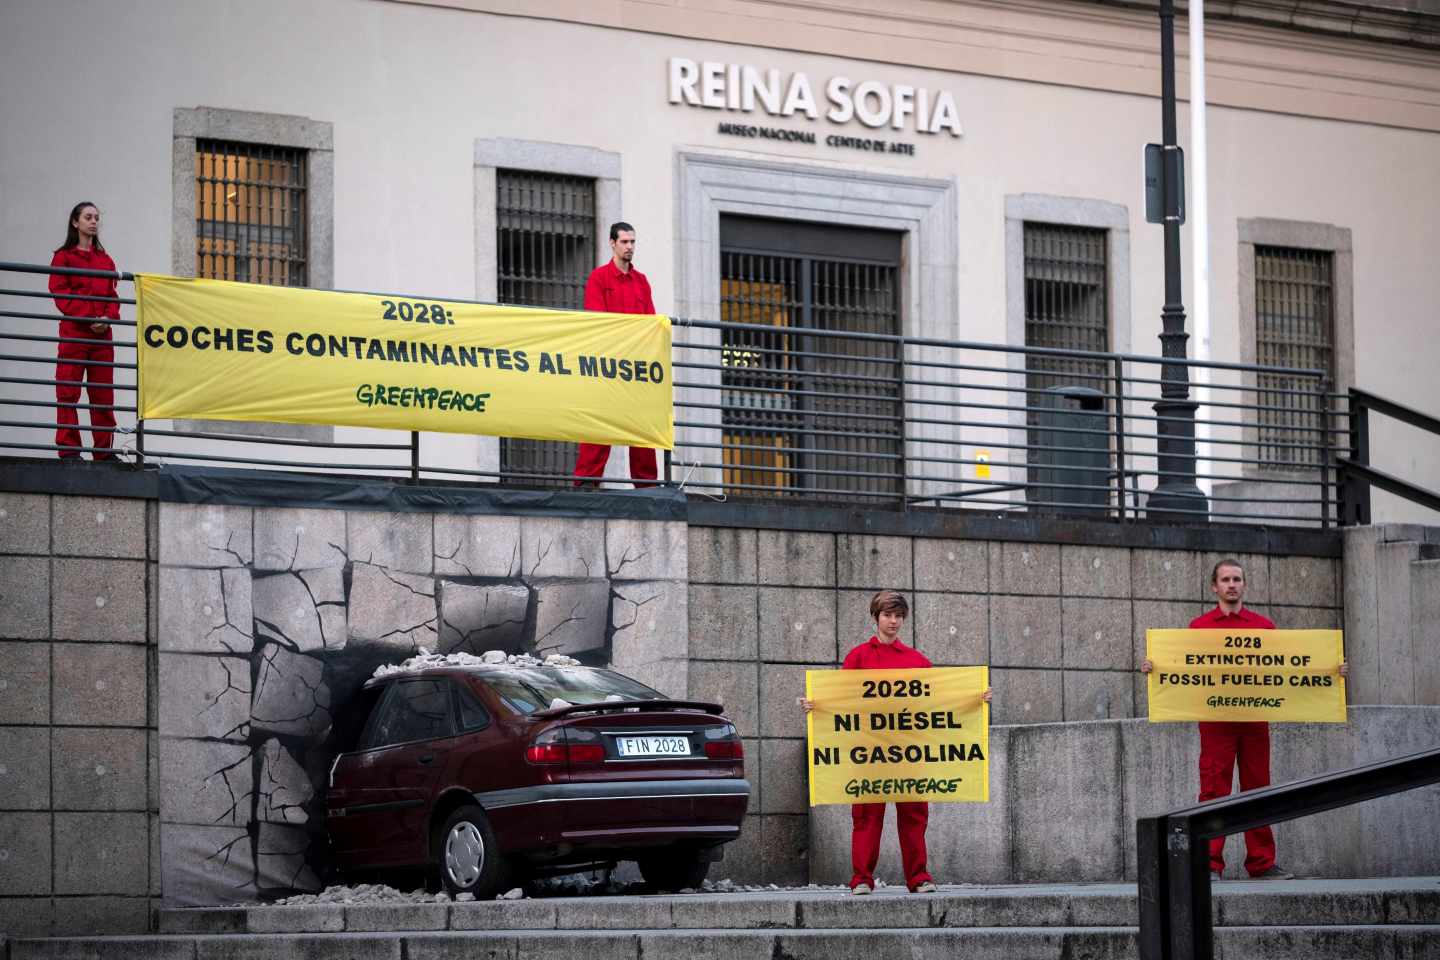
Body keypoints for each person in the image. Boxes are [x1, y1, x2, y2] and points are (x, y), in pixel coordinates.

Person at [1142, 558, 1347, 880]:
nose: (1232, 584)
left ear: (1244, 585)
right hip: (1215, 721)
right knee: (1213, 790)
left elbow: (1287, 669)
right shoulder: (1199, 627)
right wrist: (1156, 669)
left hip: (1254, 720)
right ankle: (1209, 863)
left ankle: (1261, 863)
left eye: (1237, 579)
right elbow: (1183, 667)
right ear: (1215, 587)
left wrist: (1331, 671)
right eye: (1225, 580)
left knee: (1258, 788)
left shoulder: (1263, 627)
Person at [802, 589, 993, 895]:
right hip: (869, 753)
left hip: (909, 753)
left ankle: (918, 878)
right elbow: (841, 698)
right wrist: (817, 705)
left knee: (914, 815)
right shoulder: (858, 657)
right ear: (876, 617)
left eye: (898, 616)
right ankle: (861, 878)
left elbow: (938, 700)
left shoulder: (917, 660)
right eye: (888, 615)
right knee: (866, 816)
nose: (893, 621)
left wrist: (973, 697)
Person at [571, 221, 658, 488]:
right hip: (607, 366)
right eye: (624, 242)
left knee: (642, 427)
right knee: (599, 426)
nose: (630, 247)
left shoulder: (641, 282)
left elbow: (651, 323)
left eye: (633, 242)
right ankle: (586, 483)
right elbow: (599, 323)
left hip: (635, 368)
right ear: (612, 243)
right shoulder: (599, 278)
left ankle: (647, 487)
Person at [48, 201, 120, 461]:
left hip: (102, 337)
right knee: (68, 391)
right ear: (75, 222)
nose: (93, 222)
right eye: (88, 217)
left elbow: (113, 296)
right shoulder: (63, 257)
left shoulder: (105, 260)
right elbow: (60, 292)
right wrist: (90, 317)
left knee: (103, 393)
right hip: (75, 334)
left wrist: (108, 318)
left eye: (96, 218)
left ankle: (104, 451)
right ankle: (69, 449)